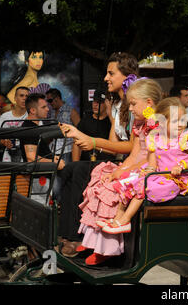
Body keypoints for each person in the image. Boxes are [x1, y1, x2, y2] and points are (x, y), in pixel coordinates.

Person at [60, 78, 163, 265]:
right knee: (99, 179)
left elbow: (149, 159)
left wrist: (123, 173)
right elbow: (133, 154)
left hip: (149, 170)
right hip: (135, 167)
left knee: (112, 189)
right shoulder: (140, 123)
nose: (130, 109)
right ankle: (92, 240)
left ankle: (108, 248)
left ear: (149, 102)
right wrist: (120, 169)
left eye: (133, 104)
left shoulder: (159, 124)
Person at [55, 52, 142, 258]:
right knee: (70, 168)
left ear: (126, 76)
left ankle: (77, 238)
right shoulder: (118, 105)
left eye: (111, 73)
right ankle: (66, 234)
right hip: (119, 160)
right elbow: (114, 145)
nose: (105, 78)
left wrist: (92, 141)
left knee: (80, 171)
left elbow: (134, 148)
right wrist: (85, 140)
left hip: (134, 164)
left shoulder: (137, 106)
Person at [99, 97, 188, 236]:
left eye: (182, 120)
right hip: (159, 176)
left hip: (177, 182)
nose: (180, 125)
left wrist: (183, 165)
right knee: (131, 183)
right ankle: (118, 216)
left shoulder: (186, 138)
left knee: (143, 187)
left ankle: (125, 220)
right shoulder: (155, 139)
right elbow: (153, 164)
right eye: (175, 121)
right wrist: (147, 171)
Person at [72, 90, 115, 162]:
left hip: (106, 164)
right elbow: (76, 144)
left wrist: (94, 144)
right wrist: (75, 164)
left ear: (107, 104)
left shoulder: (112, 122)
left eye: (99, 102)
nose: (95, 104)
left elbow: (115, 149)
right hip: (86, 163)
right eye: (94, 101)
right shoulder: (85, 120)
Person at [46, 88, 80, 163]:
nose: (49, 103)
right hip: (53, 150)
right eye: (48, 101)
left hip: (67, 150)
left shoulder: (71, 111)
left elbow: (80, 130)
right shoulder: (51, 112)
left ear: (57, 98)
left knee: (65, 173)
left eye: (50, 100)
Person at [0, 86, 29, 162]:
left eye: (27, 96)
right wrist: (5, 142)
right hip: (8, 158)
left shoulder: (33, 117)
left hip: (27, 157)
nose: (24, 98)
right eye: (21, 95)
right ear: (15, 98)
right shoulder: (5, 116)